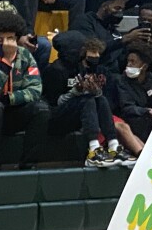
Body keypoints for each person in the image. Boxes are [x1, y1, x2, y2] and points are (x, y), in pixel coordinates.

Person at [42, 31, 135, 167]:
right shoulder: (55, 70)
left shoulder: (80, 67)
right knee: (87, 100)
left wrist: (95, 91)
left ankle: (113, 146)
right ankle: (93, 150)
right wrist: (76, 92)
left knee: (100, 99)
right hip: (56, 118)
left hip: (77, 114)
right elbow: (54, 103)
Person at [0, 9, 49, 168]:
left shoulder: (24, 55)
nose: (6, 44)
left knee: (41, 109)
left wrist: (9, 98)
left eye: (10, 38)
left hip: (12, 112)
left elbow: (35, 89)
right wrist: (6, 63)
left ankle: (28, 164)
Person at [68, 0, 149, 73]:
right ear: (104, 6)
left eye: (122, 9)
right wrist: (124, 39)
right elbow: (92, 49)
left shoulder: (114, 31)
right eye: (117, 8)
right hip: (92, 72)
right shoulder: (85, 21)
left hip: (115, 74)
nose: (120, 13)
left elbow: (121, 59)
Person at [114, 42, 152, 142]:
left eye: (133, 62)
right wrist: (146, 111)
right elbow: (127, 107)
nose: (129, 64)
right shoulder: (121, 81)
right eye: (128, 61)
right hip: (132, 120)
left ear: (144, 66)